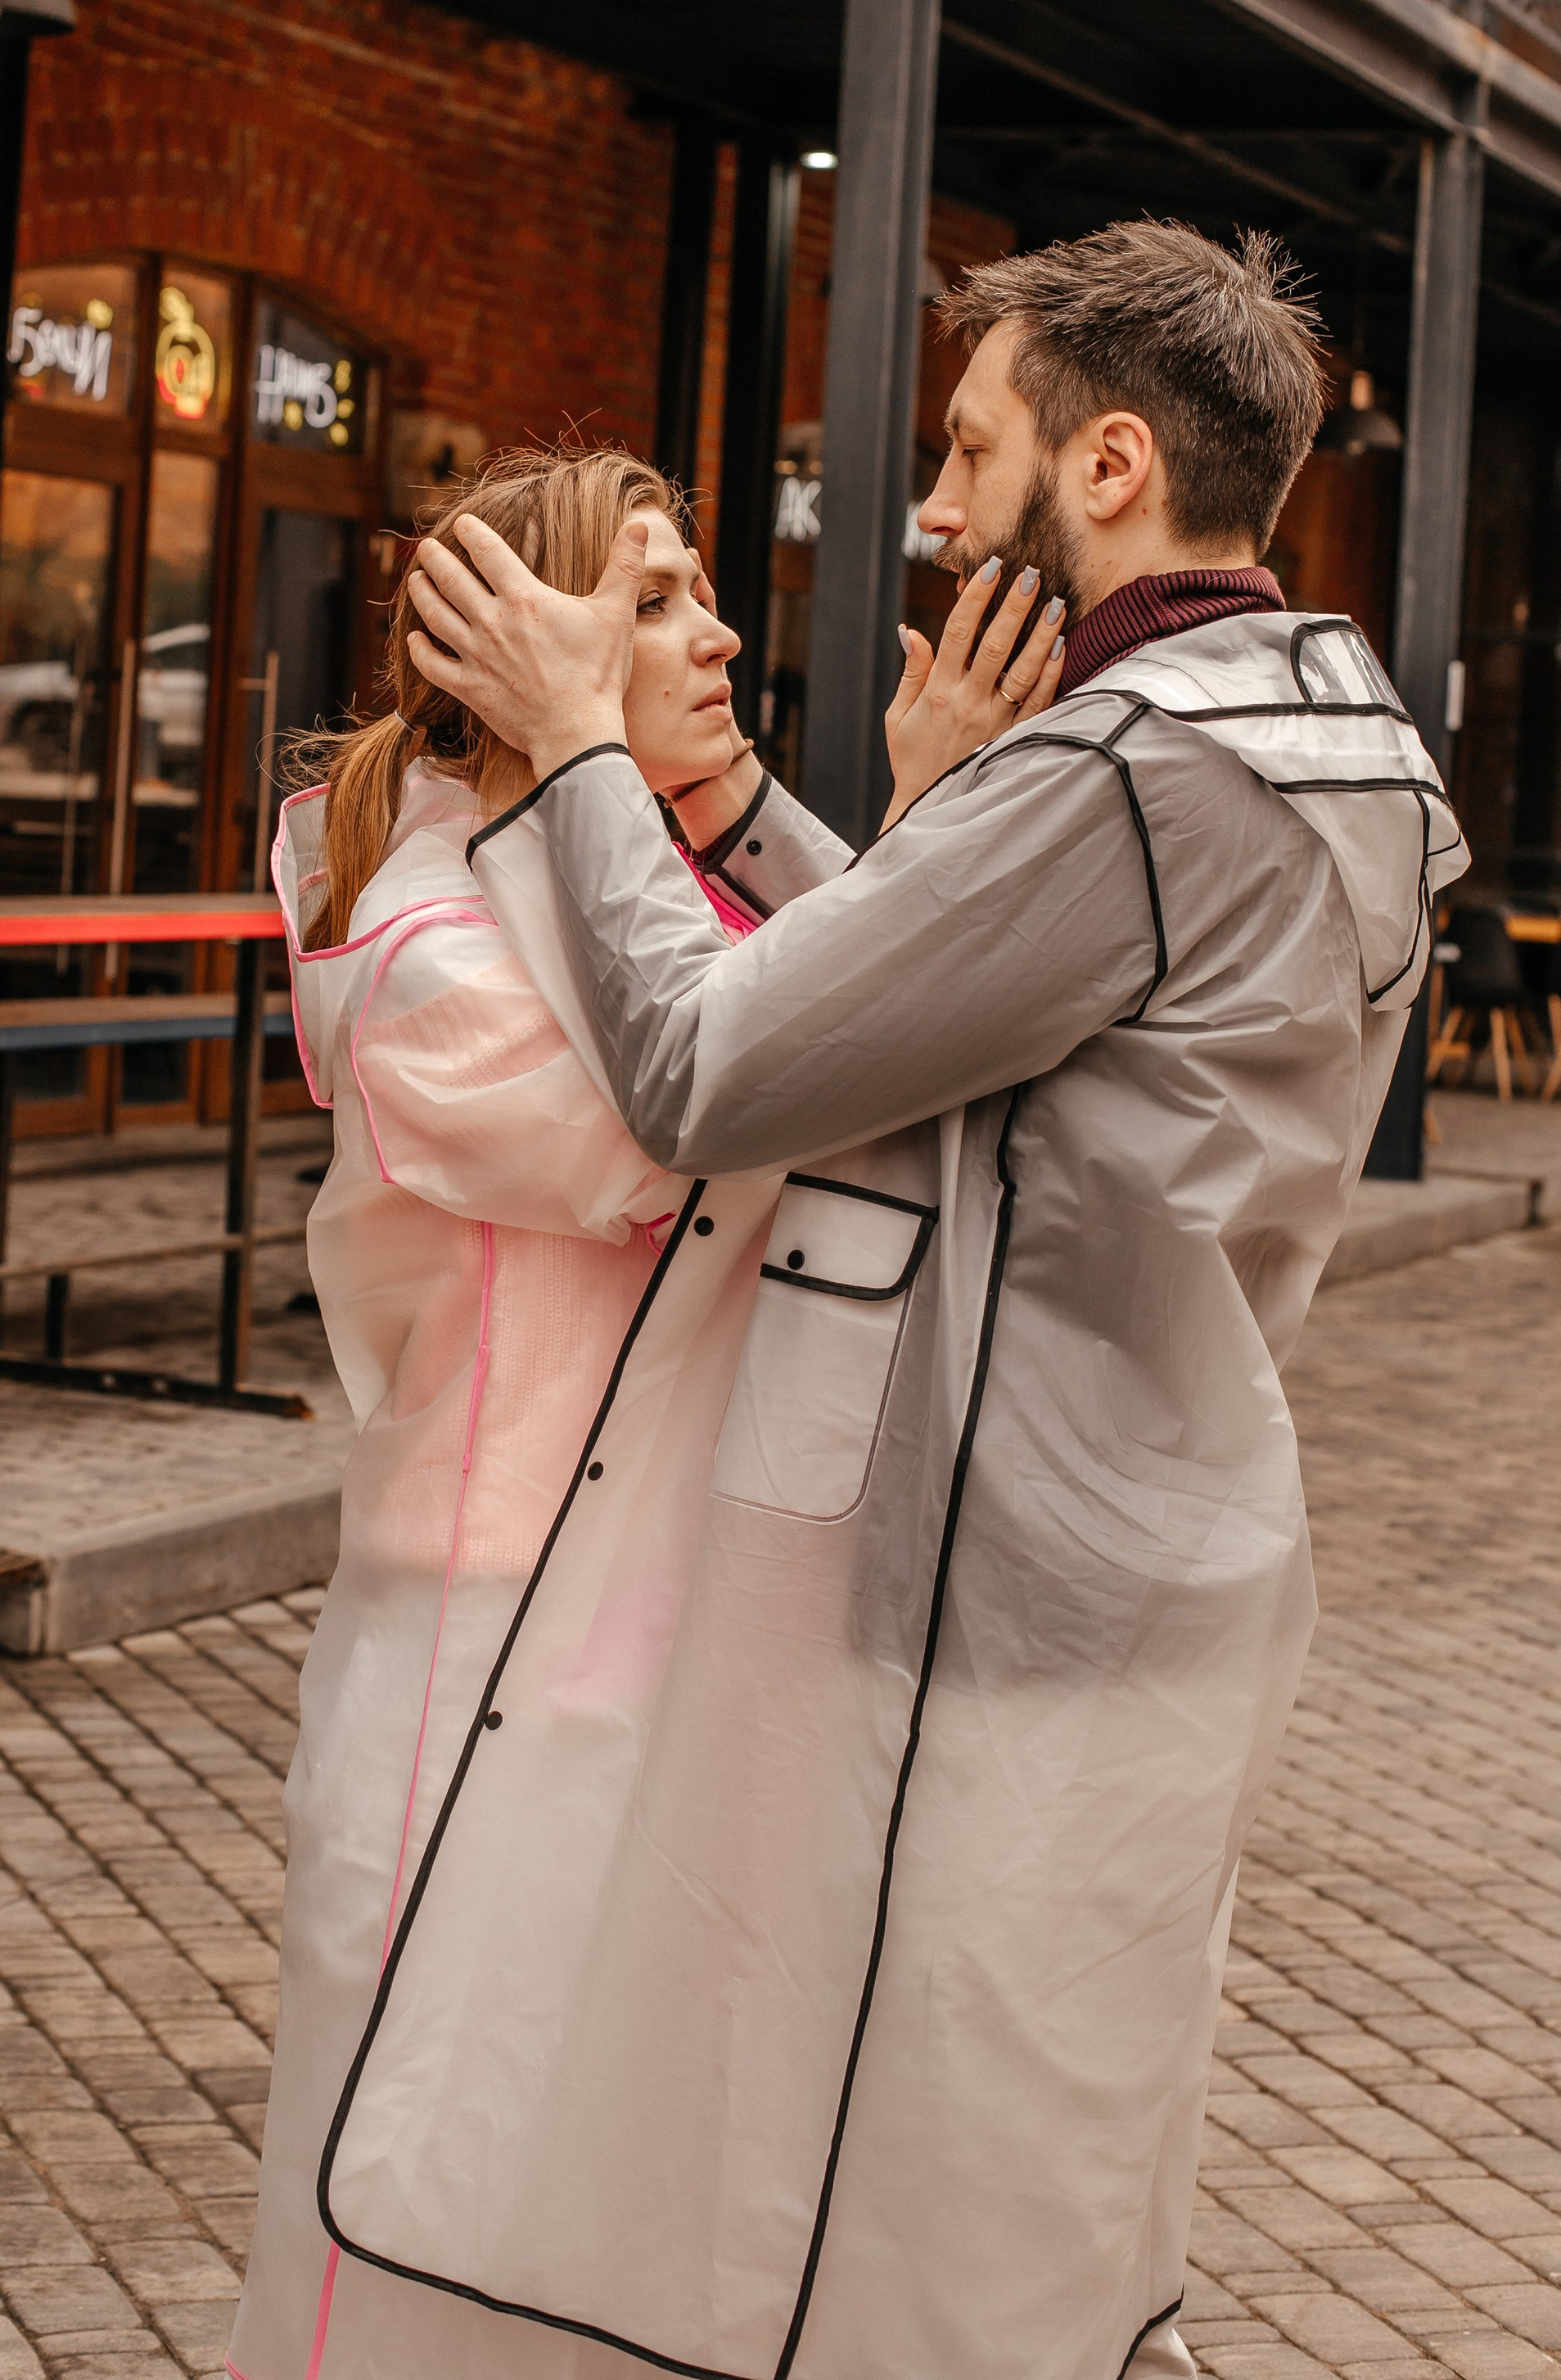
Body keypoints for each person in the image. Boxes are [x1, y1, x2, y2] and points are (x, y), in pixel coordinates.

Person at [337, 222, 1465, 2380]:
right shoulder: (1331, 732)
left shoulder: (1123, 770)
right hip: (1166, 1514)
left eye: (968, 448)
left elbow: (708, 1072)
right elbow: (951, 989)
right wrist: (736, 805)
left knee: (943, 2229)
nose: (934, 512)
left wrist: (577, 753)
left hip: (998, 1562)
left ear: (1110, 465)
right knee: (1056, 2171)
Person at [226, 440, 1073, 2380]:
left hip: (662, 1632)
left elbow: (860, 1047)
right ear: (531, 650)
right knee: (416, 2190)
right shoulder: (420, 951)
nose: (718, 638)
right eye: (654, 602)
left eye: (701, 590)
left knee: (604, 2193)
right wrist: (917, 830)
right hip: (482, 1648)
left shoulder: (640, 885)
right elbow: (734, 1114)